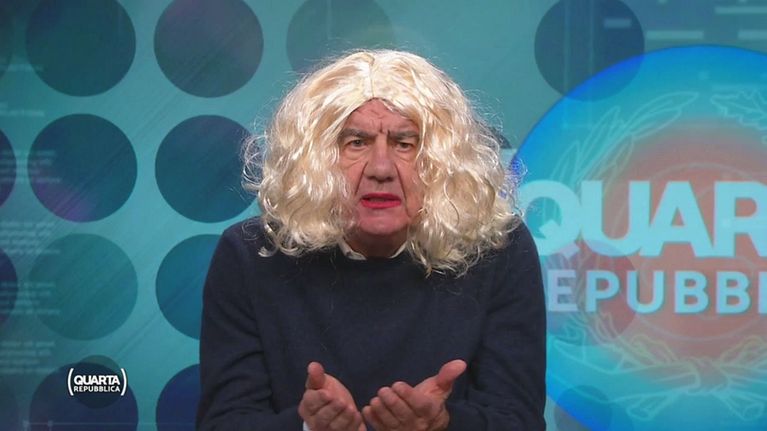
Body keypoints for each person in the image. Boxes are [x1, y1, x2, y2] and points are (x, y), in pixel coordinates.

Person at [196, 50, 546, 431]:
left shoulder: (498, 249)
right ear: (317, 159)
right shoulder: (251, 255)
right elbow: (223, 422)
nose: (381, 169)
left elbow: (519, 420)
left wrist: (442, 425)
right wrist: (307, 427)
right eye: (356, 142)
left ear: (440, 162)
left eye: (404, 144)